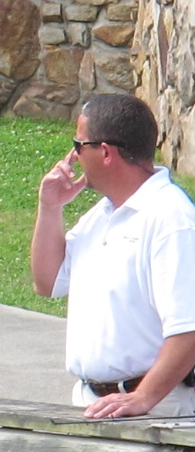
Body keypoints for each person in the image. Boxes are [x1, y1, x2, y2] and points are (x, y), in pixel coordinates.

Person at [33, 91, 195, 419]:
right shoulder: (102, 214)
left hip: (154, 412)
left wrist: (144, 397)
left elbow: (188, 328)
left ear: (105, 152)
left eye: (79, 145)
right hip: (95, 403)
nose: (74, 156)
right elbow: (48, 282)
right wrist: (49, 208)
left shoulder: (171, 218)